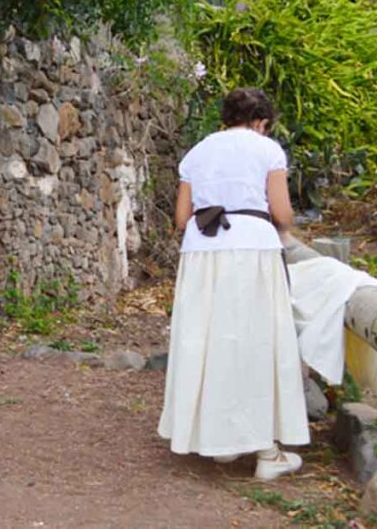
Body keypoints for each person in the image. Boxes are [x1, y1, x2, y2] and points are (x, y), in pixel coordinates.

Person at [157, 87, 309, 480]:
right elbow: (282, 212)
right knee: (255, 340)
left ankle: (217, 441)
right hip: (251, 252)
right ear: (261, 122)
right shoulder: (267, 150)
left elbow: (181, 217)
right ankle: (265, 451)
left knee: (208, 340)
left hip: (202, 252)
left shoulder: (198, 152)